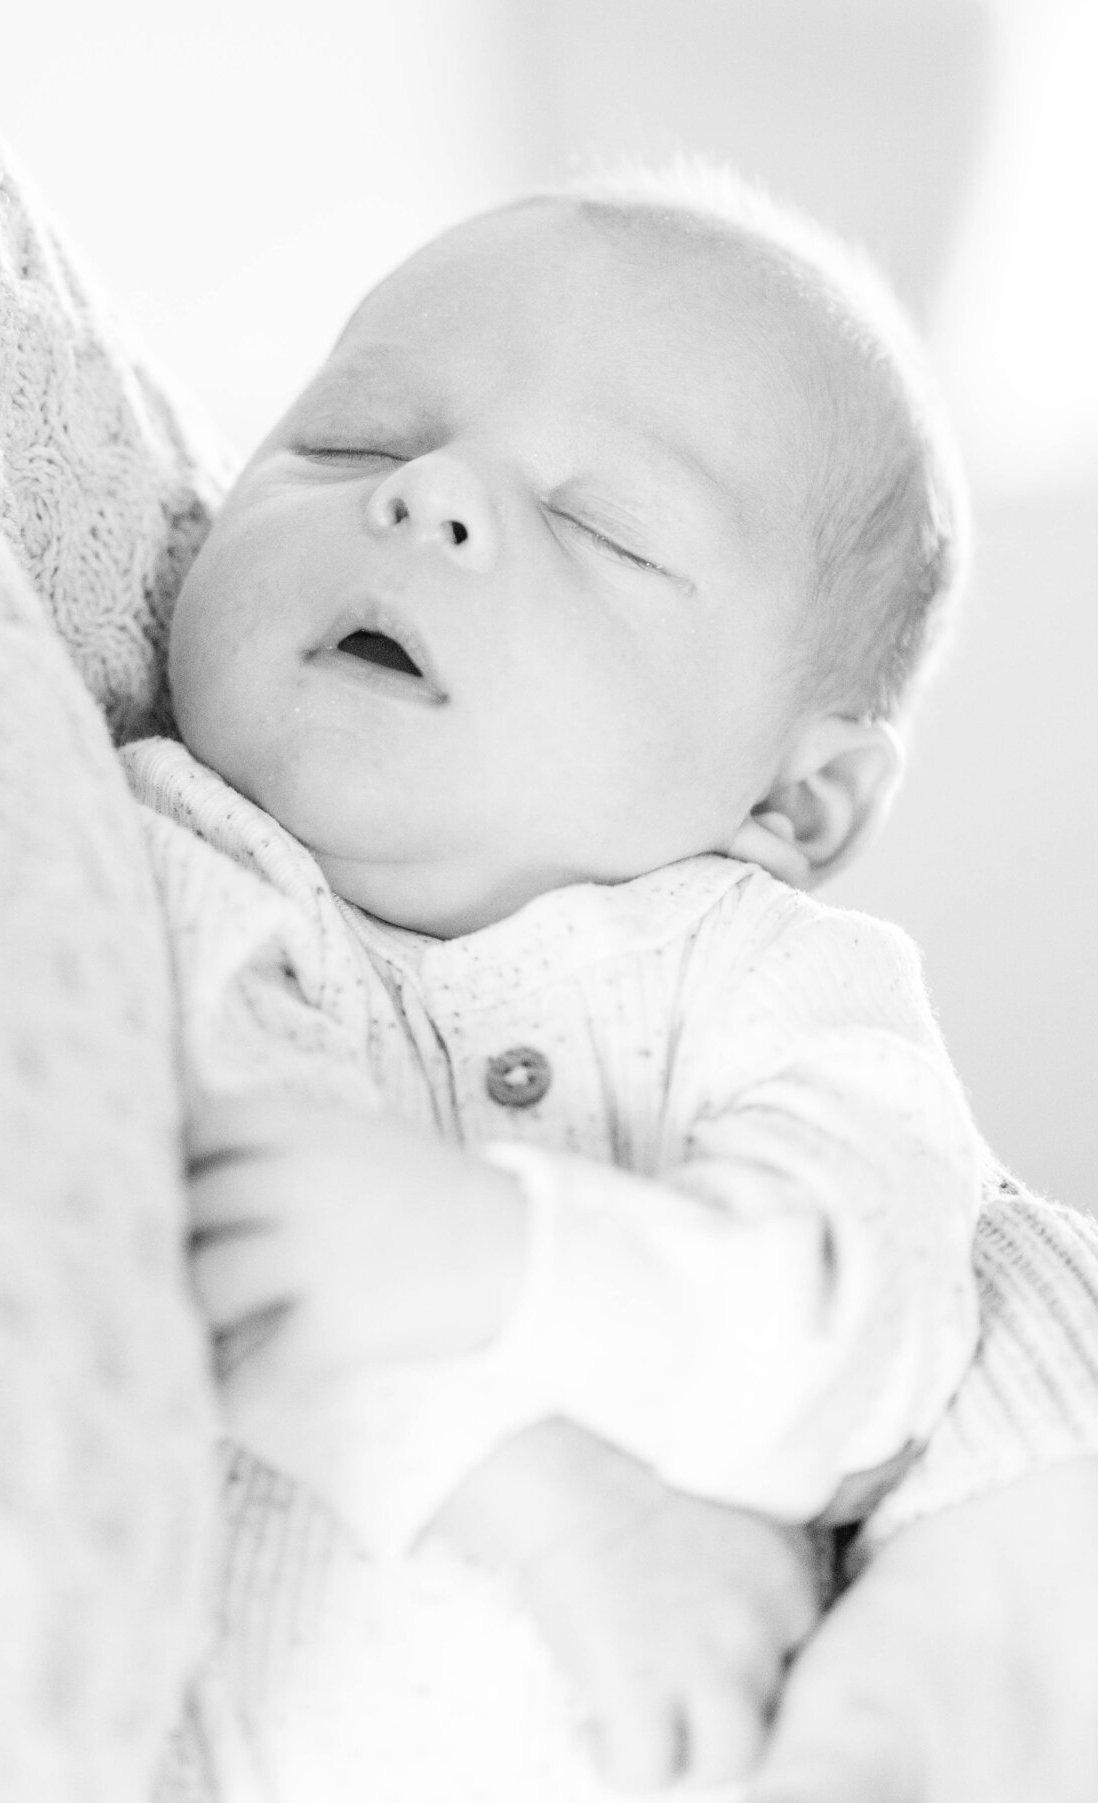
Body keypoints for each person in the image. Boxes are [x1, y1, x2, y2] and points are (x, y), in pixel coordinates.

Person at [131, 168, 996, 1801]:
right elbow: (172, 1252)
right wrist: (557, 1504)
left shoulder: (782, 988)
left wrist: (508, 1262)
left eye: (605, 528)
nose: (431, 494)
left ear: (794, 802)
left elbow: (867, 1319)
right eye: (354, 439)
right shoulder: (156, 857)